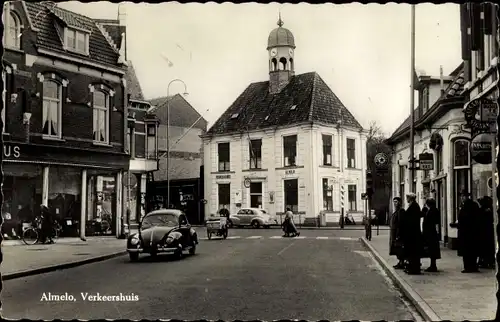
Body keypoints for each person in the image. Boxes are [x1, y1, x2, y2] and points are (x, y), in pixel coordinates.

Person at [450, 191, 481, 273]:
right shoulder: (473, 205)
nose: (462, 198)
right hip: (472, 232)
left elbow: (465, 218)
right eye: (462, 196)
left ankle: (468, 267)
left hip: (466, 232)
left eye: (463, 196)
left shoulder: (467, 206)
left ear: (467, 197)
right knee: (472, 251)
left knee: (466, 251)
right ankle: (473, 266)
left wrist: (459, 223)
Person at [400, 193, 424, 275]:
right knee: (411, 251)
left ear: (411, 198)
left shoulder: (414, 206)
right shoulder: (412, 205)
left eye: (407, 198)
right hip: (411, 233)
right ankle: (411, 267)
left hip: (413, 233)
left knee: (413, 251)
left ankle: (414, 269)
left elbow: (411, 219)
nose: (406, 199)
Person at [422, 198, 441, 272]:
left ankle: (433, 266)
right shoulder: (433, 210)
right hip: (432, 232)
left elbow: (430, 221)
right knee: (432, 249)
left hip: (430, 233)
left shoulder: (432, 211)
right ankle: (432, 265)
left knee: (432, 249)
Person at [478, 196, 495, 269]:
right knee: (490, 248)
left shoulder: (481, 210)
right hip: (490, 231)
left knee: (483, 248)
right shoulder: (491, 209)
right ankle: (490, 262)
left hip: (483, 232)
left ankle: (483, 261)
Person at [389, 197, 405, 269]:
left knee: (399, 249)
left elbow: (400, 224)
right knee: (396, 249)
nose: (395, 203)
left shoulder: (401, 211)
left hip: (397, 234)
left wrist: (398, 235)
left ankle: (401, 262)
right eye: (394, 202)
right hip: (393, 233)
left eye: (396, 202)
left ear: (399, 202)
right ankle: (400, 262)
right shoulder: (396, 211)